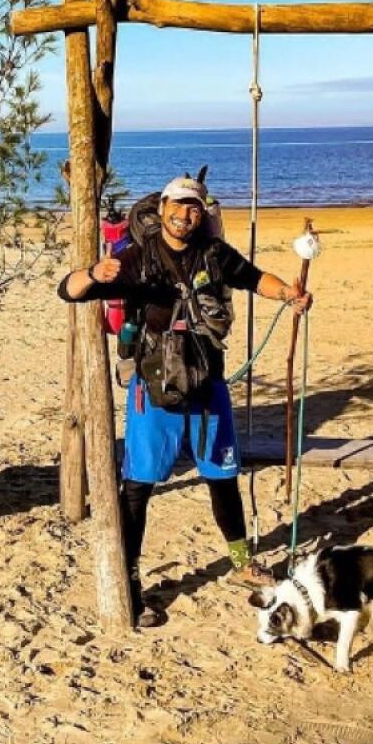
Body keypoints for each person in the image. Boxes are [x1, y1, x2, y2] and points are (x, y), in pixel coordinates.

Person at [58, 175, 312, 628]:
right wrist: (95, 273)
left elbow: (255, 279)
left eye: (194, 207)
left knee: (223, 476)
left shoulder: (213, 255)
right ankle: (129, 579)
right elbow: (69, 291)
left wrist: (290, 294)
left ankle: (240, 563)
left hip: (208, 382)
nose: (185, 214)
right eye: (178, 205)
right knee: (139, 485)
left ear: (201, 212)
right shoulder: (135, 258)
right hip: (152, 389)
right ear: (163, 208)